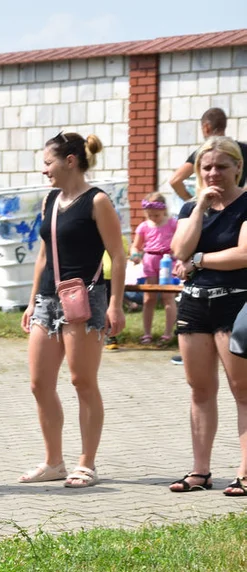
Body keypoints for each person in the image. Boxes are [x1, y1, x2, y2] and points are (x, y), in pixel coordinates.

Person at [18, 132, 126, 488]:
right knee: (39, 384)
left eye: (48, 163)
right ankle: (53, 462)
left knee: (82, 381)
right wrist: (33, 300)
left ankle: (86, 463)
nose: (44, 170)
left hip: (86, 299)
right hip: (48, 301)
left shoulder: (97, 201)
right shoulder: (50, 201)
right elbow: (44, 255)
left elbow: (118, 254)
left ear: (70, 161)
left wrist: (115, 304)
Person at [166, 137, 247, 496]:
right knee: (200, 390)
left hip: (236, 304)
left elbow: (243, 255)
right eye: (206, 167)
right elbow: (178, 249)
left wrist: (198, 260)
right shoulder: (190, 208)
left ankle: (245, 471)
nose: (213, 173)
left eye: (221, 167)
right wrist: (199, 205)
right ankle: (200, 471)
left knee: (242, 390)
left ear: (238, 168)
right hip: (195, 305)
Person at [129, 192, 177, 344]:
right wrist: (135, 255)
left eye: (156, 215)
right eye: (150, 215)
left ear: (164, 210)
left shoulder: (172, 224)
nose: (154, 218)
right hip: (150, 261)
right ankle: (147, 333)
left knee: (167, 296)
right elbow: (136, 246)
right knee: (149, 297)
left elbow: (181, 241)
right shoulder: (143, 226)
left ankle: (169, 333)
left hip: (167, 261)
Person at [169, 108, 247, 201]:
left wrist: (192, 201)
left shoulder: (206, 152)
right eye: (207, 168)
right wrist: (241, 197)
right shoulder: (242, 149)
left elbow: (175, 180)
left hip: (211, 206)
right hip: (237, 205)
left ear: (206, 127)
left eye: (222, 167)